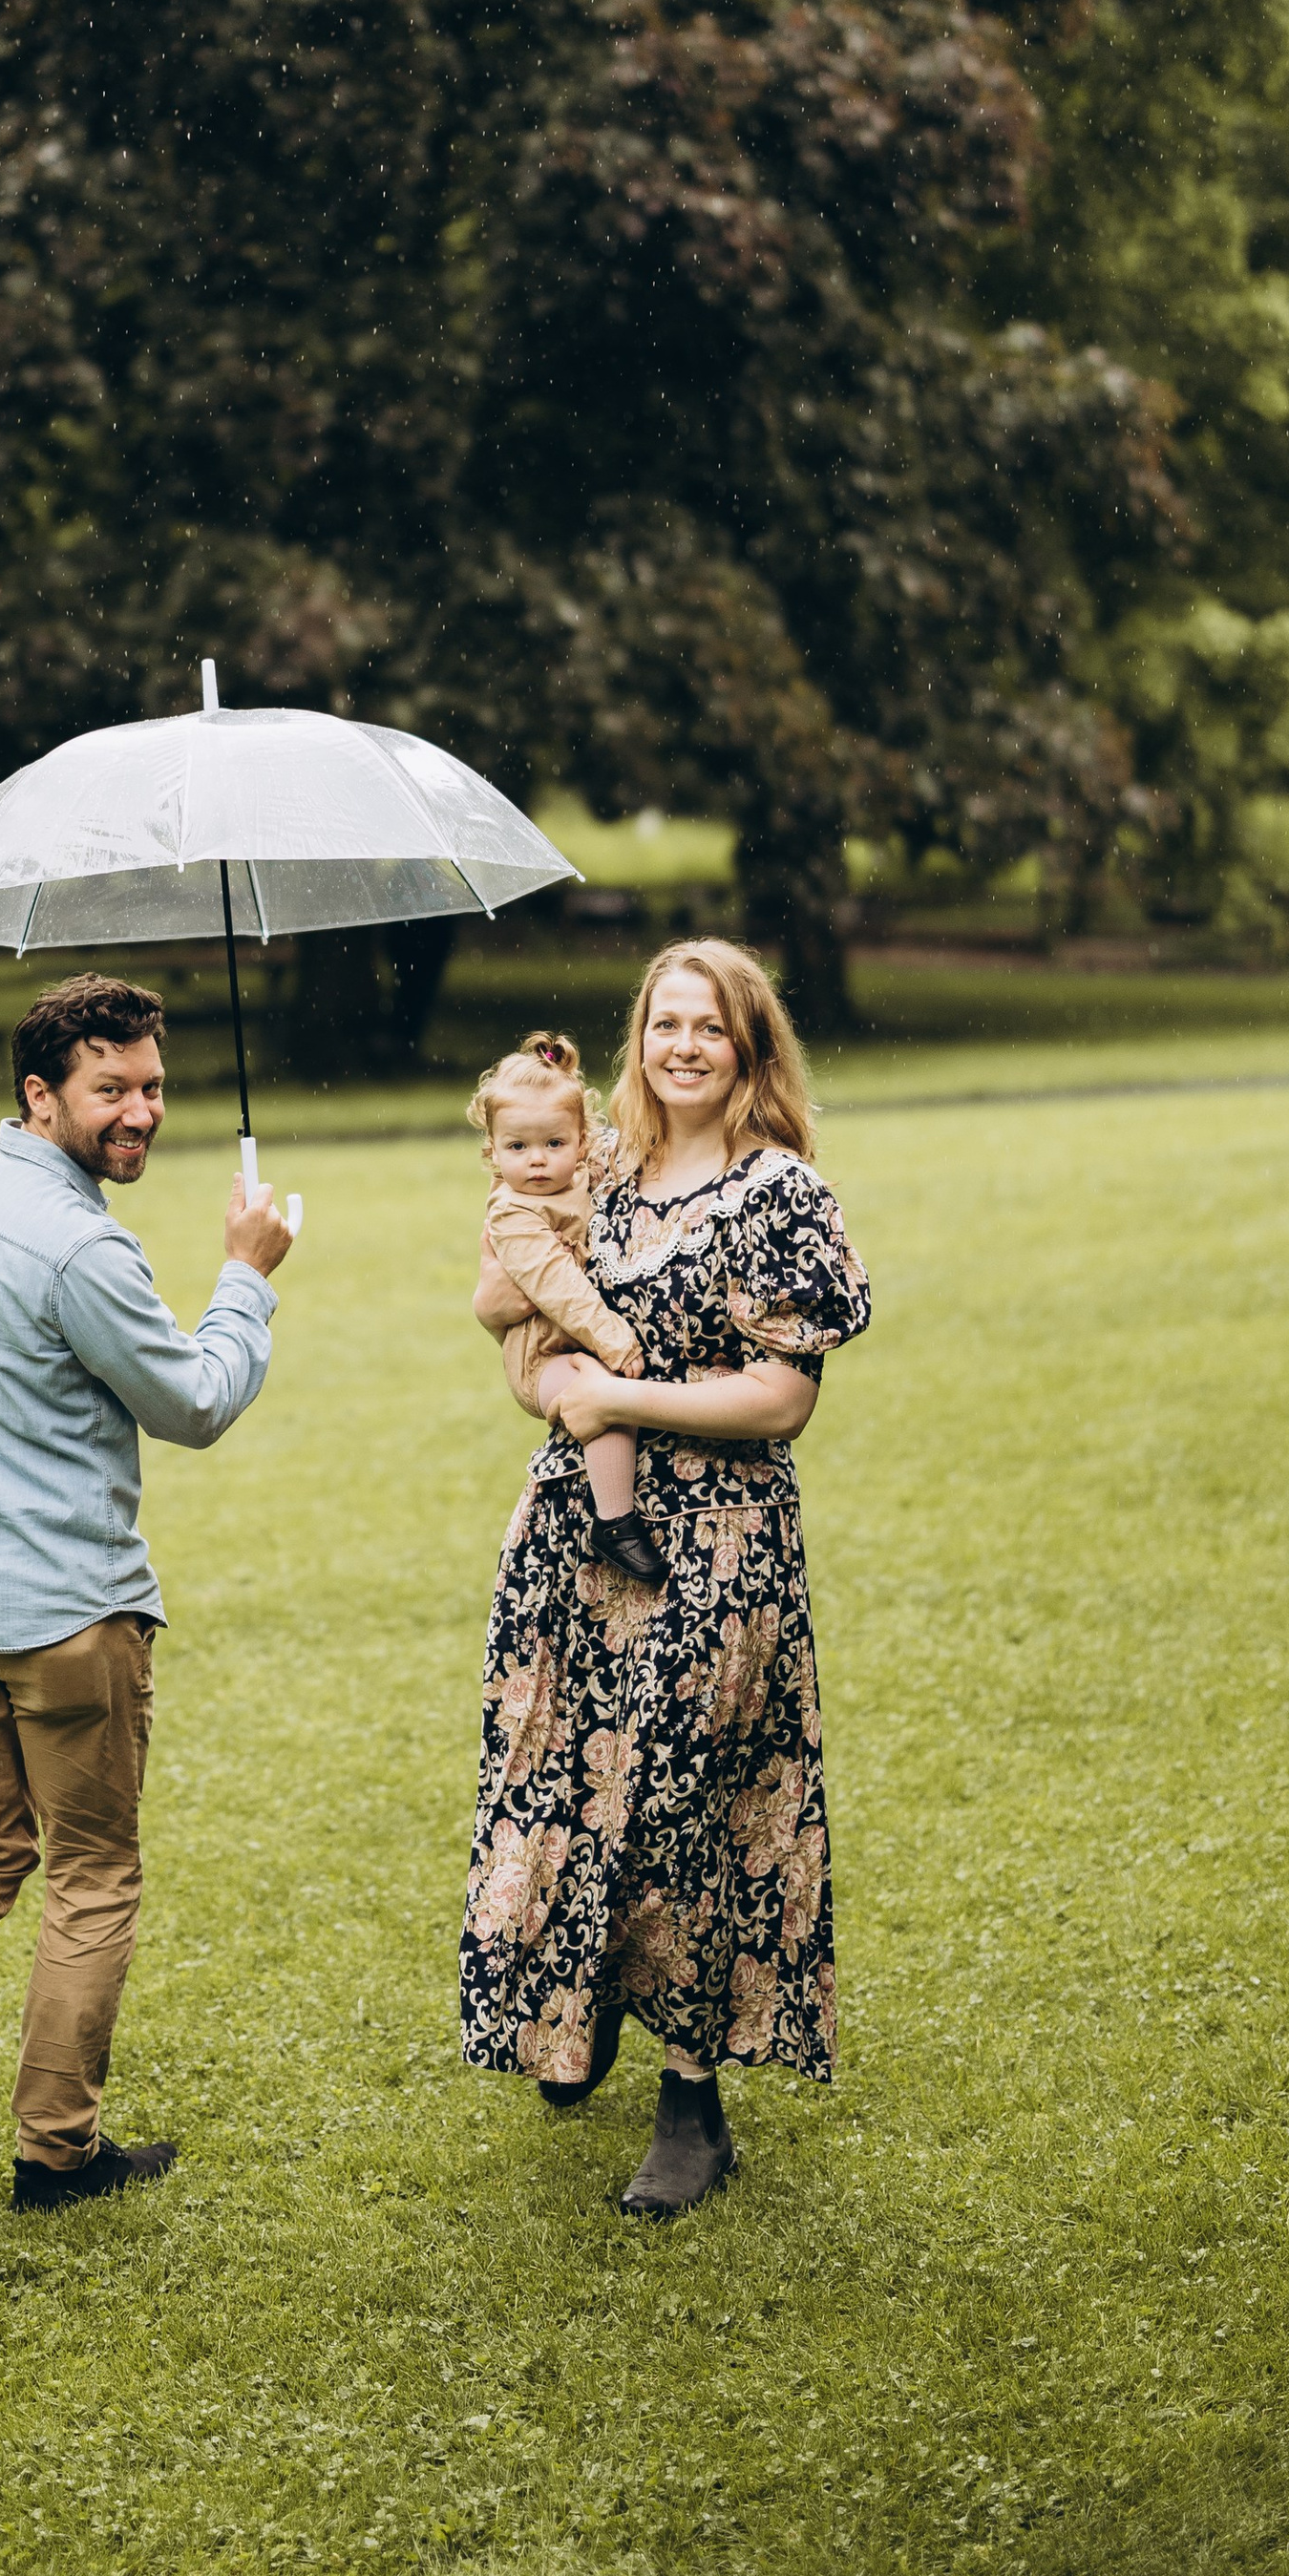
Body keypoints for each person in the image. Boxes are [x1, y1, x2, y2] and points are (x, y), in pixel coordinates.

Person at [0, 970, 294, 2270]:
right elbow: (193, 1400)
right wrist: (246, 1279)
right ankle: (56, 2153)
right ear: (42, 1094)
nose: (139, 1111)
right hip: (66, 1620)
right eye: (112, 1090)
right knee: (92, 1871)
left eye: (152, 1084)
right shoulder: (83, 1246)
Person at [457, 938, 871, 2220]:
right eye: (663, 1024)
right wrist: (542, 1350)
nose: (683, 1045)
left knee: (691, 1812)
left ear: (750, 1048)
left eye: (710, 1026)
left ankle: (693, 2105)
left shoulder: (777, 1191)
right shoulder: (606, 1170)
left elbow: (784, 1398)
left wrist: (618, 1391)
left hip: (716, 1549)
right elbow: (501, 1300)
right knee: (567, 1795)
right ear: (638, 1040)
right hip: (576, 1542)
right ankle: (571, 2020)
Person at [466, 1029, 664, 1584]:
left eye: (553, 1144)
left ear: (582, 1141)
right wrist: (613, 1337)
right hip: (542, 1358)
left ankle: (615, 1514)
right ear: (493, 1150)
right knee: (601, 1398)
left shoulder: (583, 1177)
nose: (536, 1161)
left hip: (579, 1341)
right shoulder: (513, 1213)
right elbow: (556, 1285)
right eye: (517, 1147)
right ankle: (615, 1520)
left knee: (608, 1392)